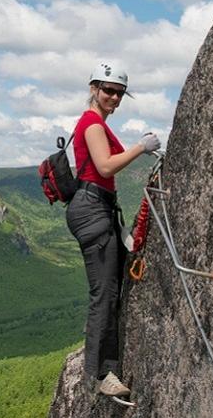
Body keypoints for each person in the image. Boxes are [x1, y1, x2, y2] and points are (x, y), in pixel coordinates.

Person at [67, 62, 160, 397]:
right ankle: (103, 374)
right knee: (104, 290)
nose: (115, 98)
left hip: (100, 207)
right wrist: (140, 147)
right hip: (93, 209)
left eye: (120, 93)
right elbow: (105, 165)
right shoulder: (91, 123)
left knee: (114, 280)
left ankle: (98, 334)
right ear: (94, 88)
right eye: (109, 91)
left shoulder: (99, 124)